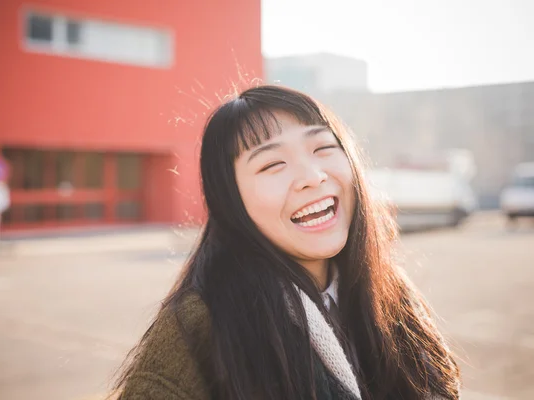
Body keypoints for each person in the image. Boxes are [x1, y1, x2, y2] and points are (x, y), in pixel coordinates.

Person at [113, 85, 461, 399]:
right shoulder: (199, 324)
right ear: (230, 200)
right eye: (272, 164)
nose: (312, 177)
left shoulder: (391, 291)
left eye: (323, 147)